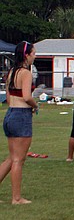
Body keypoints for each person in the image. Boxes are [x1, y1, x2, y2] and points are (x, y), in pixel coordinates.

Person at [0, 41, 38, 204]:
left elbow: (9, 98)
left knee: (11, 158)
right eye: (34, 53)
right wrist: (35, 106)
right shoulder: (26, 73)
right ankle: (16, 198)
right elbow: (27, 96)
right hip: (21, 115)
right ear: (27, 55)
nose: (35, 56)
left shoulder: (11, 72)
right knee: (18, 159)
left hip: (10, 115)